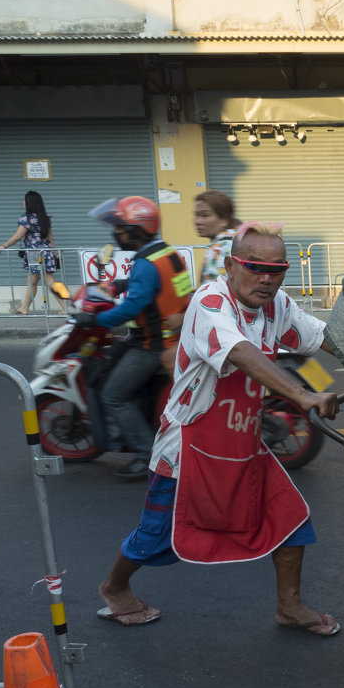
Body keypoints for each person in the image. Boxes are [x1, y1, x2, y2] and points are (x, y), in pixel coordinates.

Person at [96, 221, 341, 635]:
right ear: (230, 265)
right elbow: (241, 352)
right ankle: (114, 587)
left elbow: (321, 337)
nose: (266, 278)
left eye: (277, 269)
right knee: (156, 533)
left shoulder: (276, 306)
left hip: (243, 443)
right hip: (188, 448)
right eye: (254, 266)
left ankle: (290, 607)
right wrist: (302, 395)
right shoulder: (211, 302)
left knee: (291, 518)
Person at [74, 196, 195, 479]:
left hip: (153, 345)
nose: (116, 233)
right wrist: (122, 283)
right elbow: (169, 288)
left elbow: (131, 308)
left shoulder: (144, 263)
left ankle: (145, 455)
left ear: (137, 230)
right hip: (172, 337)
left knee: (113, 395)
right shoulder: (167, 254)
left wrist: (96, 319)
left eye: (121, 227)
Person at [0, 190, 59, 315]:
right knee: (32, 282)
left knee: (49, 281)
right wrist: (55, 252)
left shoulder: (26, 218)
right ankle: (24, 308)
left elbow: (18, 236)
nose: (23, 202)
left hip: (35, 253)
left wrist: (4, 245)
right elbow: (50, 238)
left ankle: (66, 307)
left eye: (24, 200)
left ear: (29, 203)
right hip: (46, 251)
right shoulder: (44, 218)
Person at [195, 189, 240, 284]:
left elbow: (211, 294)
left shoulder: (217, 250)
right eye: (196, 215)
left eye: (205, 215)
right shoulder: (238, 241)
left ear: (224, 219)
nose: (197, 221)